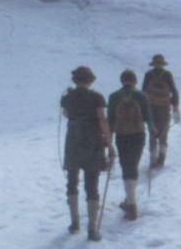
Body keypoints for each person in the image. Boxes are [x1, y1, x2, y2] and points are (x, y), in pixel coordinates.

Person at [61, 66, 116, 242]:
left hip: (72, 143)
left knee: (72, 181)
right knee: (91, 184)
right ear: (90, 80)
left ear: (75, 80)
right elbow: (102, 120)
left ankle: (74, 222)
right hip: (93, 143)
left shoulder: (67, 97)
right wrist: (110, 144)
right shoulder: (96, 97)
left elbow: (66, 114)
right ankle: (92, 228)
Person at [107, 69, 152, 221]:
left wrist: (107, 140)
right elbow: (148, 117)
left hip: (121, 135)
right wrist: (154, 132)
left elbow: (110, 121)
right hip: (138, 134)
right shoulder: (141, 96)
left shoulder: (114, 97)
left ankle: (130, 203)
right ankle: (131, 202)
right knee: (134, 165)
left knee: (126, 166)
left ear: (121, 81)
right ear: (135, 81)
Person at [142, 54, 180, 168]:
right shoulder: (167, 75)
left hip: (151, 107)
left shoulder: (148, 75)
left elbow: (143, 91)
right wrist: (175, 106)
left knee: (152, 133)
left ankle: (153, 159)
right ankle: (161, 158)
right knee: (164, 133)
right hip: (164, 107)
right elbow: (174, 91)